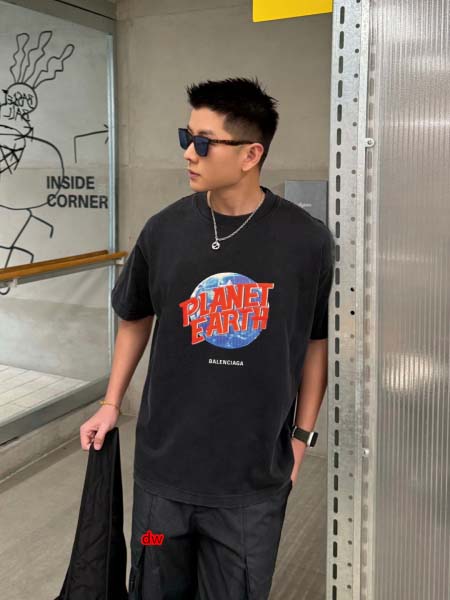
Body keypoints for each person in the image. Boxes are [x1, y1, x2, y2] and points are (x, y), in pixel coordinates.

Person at [80, 76, 334, 599]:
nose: (188, 153)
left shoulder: (307, 242)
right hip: (164, 481)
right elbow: (135, 315)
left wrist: (301, 439)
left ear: (250, 154)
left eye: (202, 142)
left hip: (251, 487)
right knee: (153, 587)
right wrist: (110, 403)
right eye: (186, 137)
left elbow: (314, 341)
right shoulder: (163, 230)